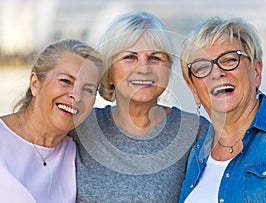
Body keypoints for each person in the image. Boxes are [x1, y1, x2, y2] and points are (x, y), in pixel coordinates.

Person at [74, 11, 209, 202]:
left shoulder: (196, 132)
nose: (144, 68)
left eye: (155, 58)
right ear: (109, 71)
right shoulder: (80, 128)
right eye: (130, 57)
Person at [178, 16, 266, 203]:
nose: (217, 72)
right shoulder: (195, 156)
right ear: (194, 89)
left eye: (229, 60)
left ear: (256, 72)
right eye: (202, 67)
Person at [0, 39, 103, 202]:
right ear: (35, 83)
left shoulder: (79, 153)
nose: (76, 96)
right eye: (65, 81)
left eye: (88, 89)